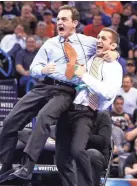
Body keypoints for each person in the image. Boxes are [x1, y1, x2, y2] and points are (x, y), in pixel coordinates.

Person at [0, 5, 117, 183]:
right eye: (58, 19)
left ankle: (27, 166)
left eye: (64, 19)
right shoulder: (50, 43)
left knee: (44, 117)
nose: (59, 22)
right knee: (9, 121)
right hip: (44, 85)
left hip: (66, 90)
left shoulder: (88, 42)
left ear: (75, 23)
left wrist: (114, 54)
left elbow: (107, 47)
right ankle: (6, 166)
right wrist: (43, 69)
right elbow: (33, 68)